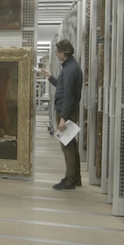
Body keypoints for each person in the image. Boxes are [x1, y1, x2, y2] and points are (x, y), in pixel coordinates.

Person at [40, 39, 83, 190]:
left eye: (58, 52)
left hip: (67, 113)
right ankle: (76, 177)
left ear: (64, 53)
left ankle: (70, 179)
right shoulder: (70, 67)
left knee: (67, 146)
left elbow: (69, 96)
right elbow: (63, 87)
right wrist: (50, 77)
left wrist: (63, 119)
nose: (56, 55)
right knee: (71, 144)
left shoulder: (70, 70)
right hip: (68, 111)